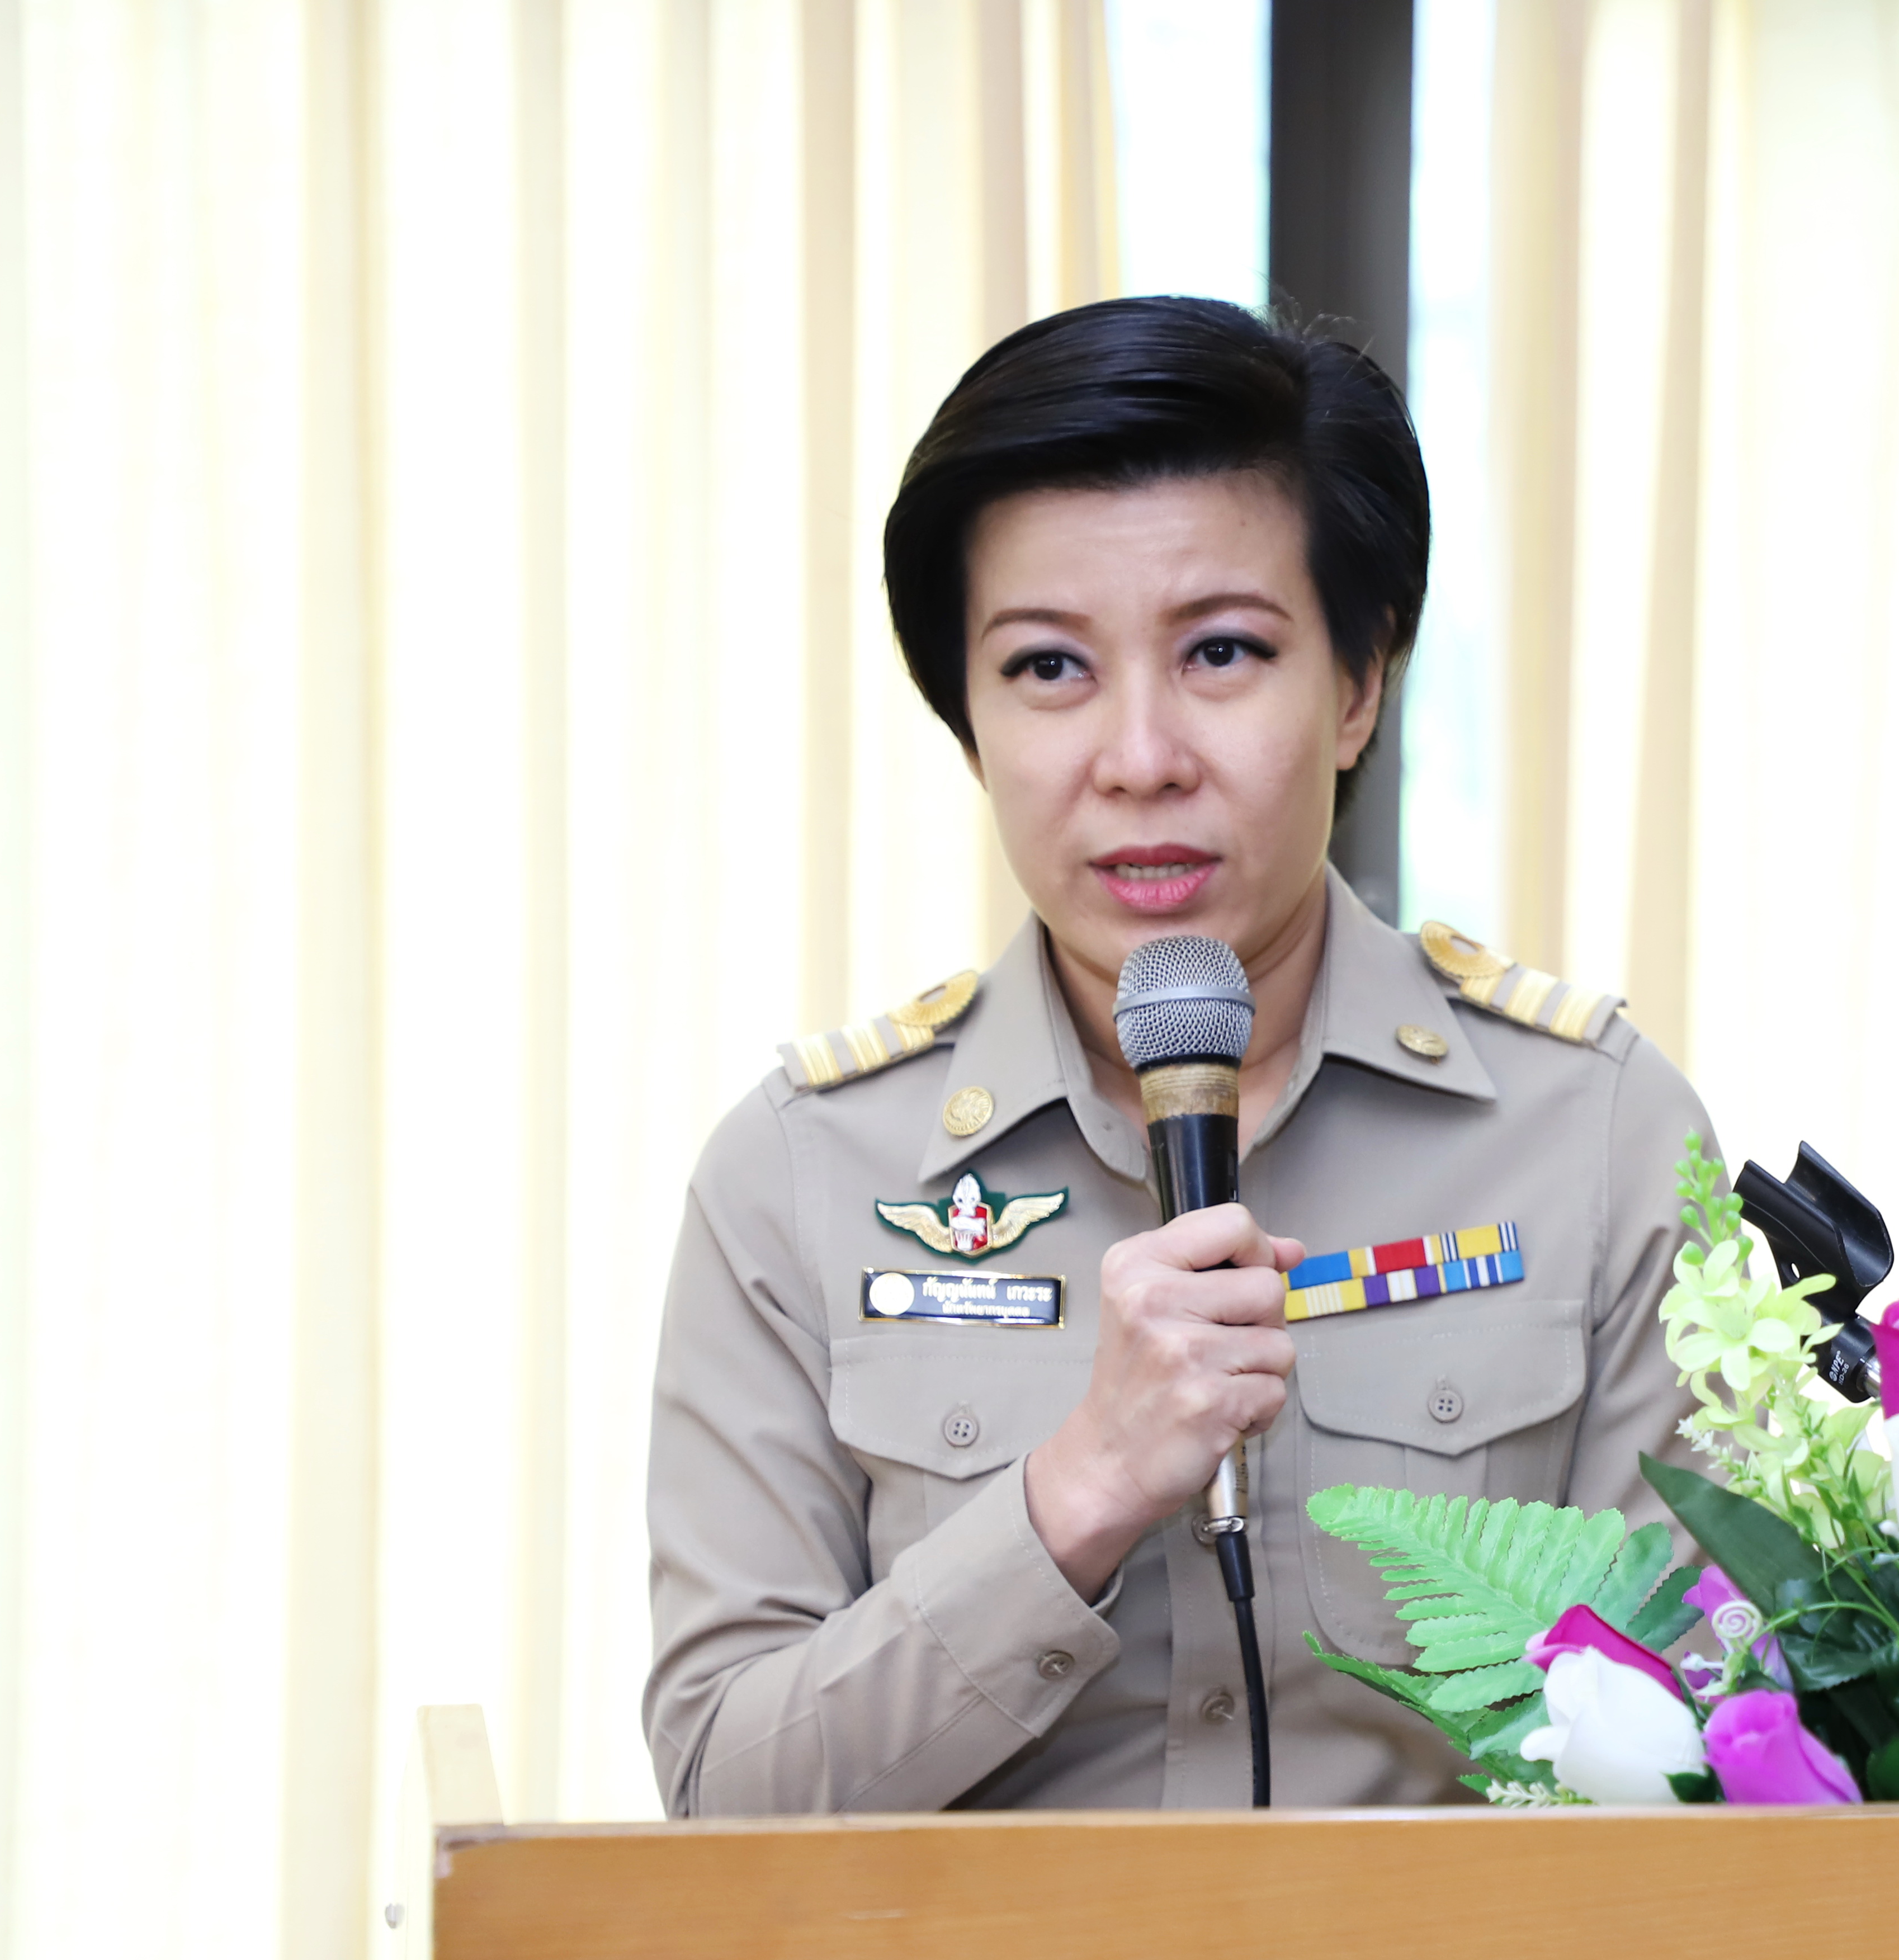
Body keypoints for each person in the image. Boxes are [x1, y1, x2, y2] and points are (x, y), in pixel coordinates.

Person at [644, 297, 1717, 1814]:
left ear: (1358, 687)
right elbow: (722, 1795)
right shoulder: (804, 1176)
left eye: (1222, 652)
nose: (1140, 758)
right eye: (1047, 669)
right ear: (969, 722)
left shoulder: (1593, 1134)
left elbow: (1708, 1755)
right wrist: (1078, 1489)